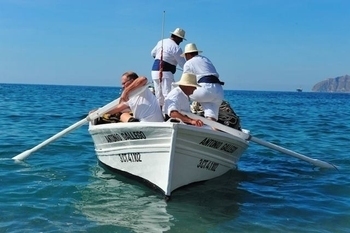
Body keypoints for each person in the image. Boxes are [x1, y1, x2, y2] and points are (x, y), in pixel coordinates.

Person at [181, 43, 225, 121]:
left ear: (188, 54)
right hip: (219, 91)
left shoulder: (188, 63)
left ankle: (180, 114)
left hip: (204, 90)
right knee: (211, 115)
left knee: (181, 91)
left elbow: (185, 81)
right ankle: (212, 128)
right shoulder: (205, 59)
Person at [151, 28, 187, 108]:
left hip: (154, 71)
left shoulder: (161, 42)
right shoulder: (176, 48)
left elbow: (152, 53)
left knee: (158, 95)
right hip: (166, 73)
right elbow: (183, 64)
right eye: (181, 39)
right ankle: (168, 113)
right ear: (177, 37)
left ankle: (160, 113)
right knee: (168, 94)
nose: (181, 41)